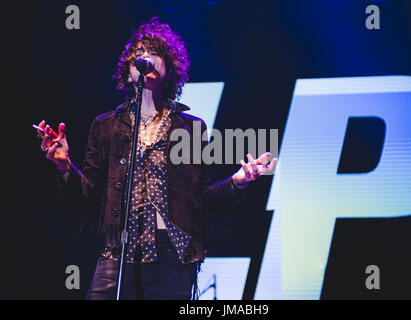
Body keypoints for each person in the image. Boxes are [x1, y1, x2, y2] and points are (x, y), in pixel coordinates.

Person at [36, 17, 277, 300]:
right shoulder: (105, 127)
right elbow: (91, 196)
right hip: (118, 253)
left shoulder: (190, 129)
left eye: (154, 53)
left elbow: (200, 199)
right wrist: (64, 166)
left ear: (168, 70)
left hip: (170, 256)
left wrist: (238, 180)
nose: (145, 58)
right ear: (127, 73)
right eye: (138, 53)